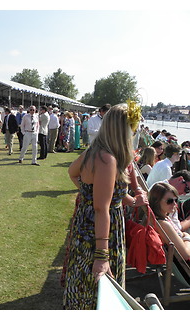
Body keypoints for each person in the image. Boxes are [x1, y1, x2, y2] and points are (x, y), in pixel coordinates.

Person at [63, 103, 144, 309]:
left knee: (83, 284)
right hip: (98, 233)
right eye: (132, 126)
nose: (134, 131)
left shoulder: (96, 151)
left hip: (88, 226)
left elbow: (73, 173)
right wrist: (102, 256)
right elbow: (102, 209)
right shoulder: (106, 159)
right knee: (95, 288)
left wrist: (124, 199)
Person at [149, 182, 190, 261]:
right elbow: (186, 255)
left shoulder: (164, 218)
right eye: (170, 201)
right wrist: (187, 237)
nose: (174, 204)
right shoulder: (163, 224)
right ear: (157, 202)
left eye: (176, 200)